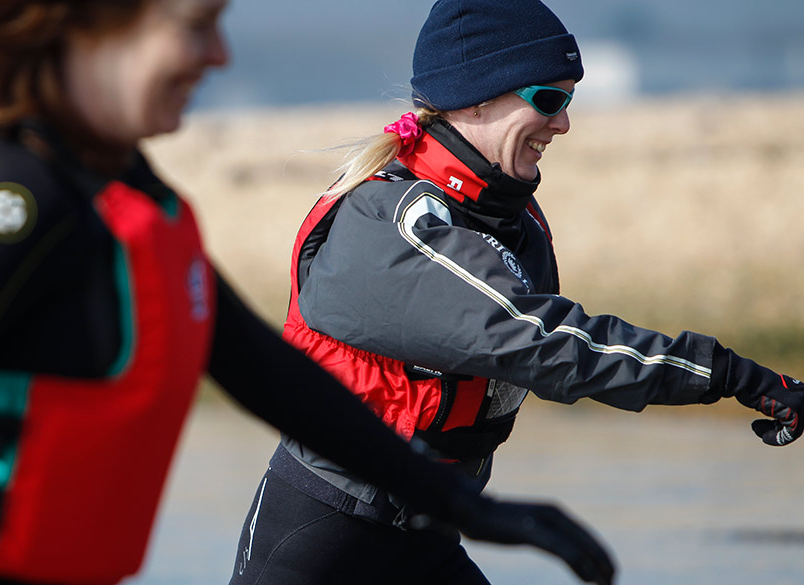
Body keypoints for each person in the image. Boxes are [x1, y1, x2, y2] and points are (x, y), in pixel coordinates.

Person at [0, 1, 618, 585]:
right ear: (92, 25)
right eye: (195, 26)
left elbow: (274, 378)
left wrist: (471, 508)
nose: (218, 55)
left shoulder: (124, 197)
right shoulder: (4, 202)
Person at [227, 0, 804, 584]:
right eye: (548, 101)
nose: (563, 124)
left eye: (570, 101)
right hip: (323, 538)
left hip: (427, 531)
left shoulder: (508, 214)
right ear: (476, 97)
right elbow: (544, 344)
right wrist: (730, 375)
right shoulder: (394, 223)